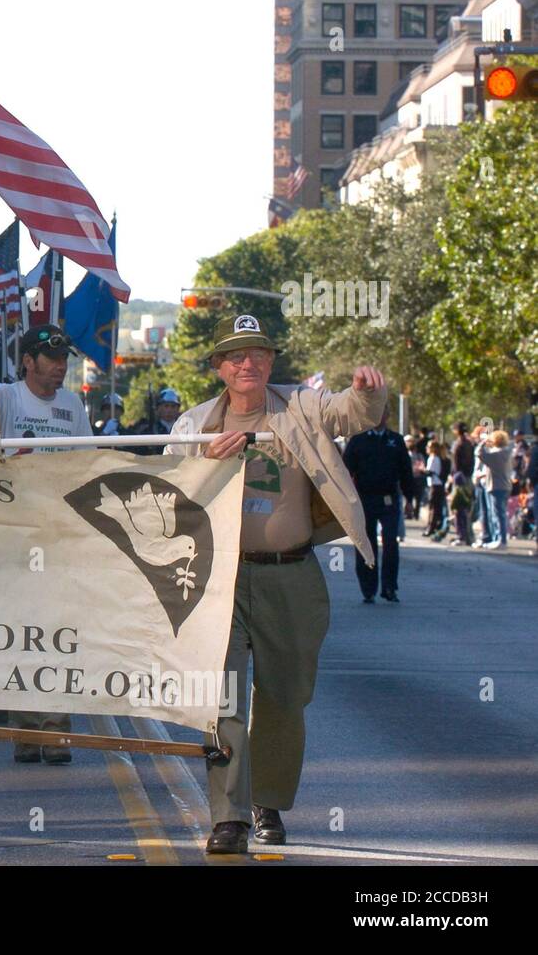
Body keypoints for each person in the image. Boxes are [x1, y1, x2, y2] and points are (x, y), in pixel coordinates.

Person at [165, 314, 386, 854]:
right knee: (222, 698)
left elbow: (351, 414)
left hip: (291, 575)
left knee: (285, 698)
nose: (249, 363)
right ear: (219, 367)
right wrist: (202, 465)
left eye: (258, 354)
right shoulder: (193, 427)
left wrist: (367, 392)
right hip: (220, 579)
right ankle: (229, 817)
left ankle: (267, 800)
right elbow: (169, 498)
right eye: (236, 356)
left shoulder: (302, 407)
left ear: (270, 363)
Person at [0, 323, 92, 765]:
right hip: (13, 537)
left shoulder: (73, 406)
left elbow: (89, 464)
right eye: (51, 359)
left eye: (64, 361)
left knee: (58, 635)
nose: (60, 368)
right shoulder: (7, 398)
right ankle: (25, 731)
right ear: (28, 362)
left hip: (60, 535)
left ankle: (56, 730)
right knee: (20, 635)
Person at [343, 409, 415, 603]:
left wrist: (410, 499)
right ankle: (368, 588)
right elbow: (345, 470)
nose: (378, 417)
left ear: (386, 416)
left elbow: (406, 471)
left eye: (382, 413)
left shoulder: (396, 440)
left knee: (391, 543)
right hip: (365, 499)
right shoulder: (358, 440)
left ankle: (390, 587)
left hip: (389, 499)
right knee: (366, 545)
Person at [477, 430, 512, 550]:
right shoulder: (507, 453)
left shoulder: (496, 455)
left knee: (497, 514)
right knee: (500, 513)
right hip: (505, 486)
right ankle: (499, 538)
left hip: (496, 486)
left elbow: (479, 454)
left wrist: (482, 442)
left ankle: (500, 539)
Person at [130, 387, 182, 456]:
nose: (169, 410)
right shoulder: (147, 428)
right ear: (159, 408)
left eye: (173, 406)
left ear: (178, 409)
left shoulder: (183, 428)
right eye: (166, 406)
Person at [424, 440, 449, 541]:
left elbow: (430, 472)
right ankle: (434, 526)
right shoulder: (438, 458)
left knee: (433, 507)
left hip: (435, 484)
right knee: (436, 507)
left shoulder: (433, 458)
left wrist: (422, 469)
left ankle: (431, 527)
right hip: (438, 484)